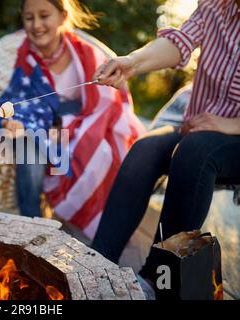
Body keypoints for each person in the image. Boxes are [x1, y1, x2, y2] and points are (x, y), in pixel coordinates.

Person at [0, 0, 144, 240]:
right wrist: (7, 120)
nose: (36, 24)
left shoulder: (87, 55)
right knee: (30, 144)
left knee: (104, 150)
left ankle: (98, 237)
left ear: (62, 16)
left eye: (44, 16)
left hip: (77, 130)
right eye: (29, 18)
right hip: (31, 130)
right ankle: (32, 226)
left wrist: (68, 128)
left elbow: (105, 103)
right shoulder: (15, 55)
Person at [92, 0, 240, 291]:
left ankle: (157, 280)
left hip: (229, 134)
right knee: (145, 148)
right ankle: (95, 264)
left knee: (194, 151)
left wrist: (231, 125)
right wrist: (131, 62)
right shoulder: (217, 5)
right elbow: (178, 43)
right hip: (200, 124)